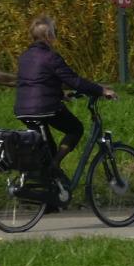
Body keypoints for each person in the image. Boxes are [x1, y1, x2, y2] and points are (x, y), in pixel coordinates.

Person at [15, 14, 116, 174]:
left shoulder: (24, 57)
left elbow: (36, 82)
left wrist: (60, 94)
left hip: (23, 110)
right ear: (49, 36)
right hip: (44, 109)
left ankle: (48, 182)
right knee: (75, 129)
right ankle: (55, 164)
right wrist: (101, 90)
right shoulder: (51, 57)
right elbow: (74, 81)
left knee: (48, 150)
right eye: (55, 32)